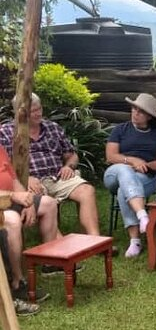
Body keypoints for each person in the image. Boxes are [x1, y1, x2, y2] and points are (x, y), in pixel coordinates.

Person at [0, 93, 99, 235]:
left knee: (87, 191)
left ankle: (95, 240)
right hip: (29, 181)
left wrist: (68, 166)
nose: (38, 114)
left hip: (57, 177)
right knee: (43, 201)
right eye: (32, 111)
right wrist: (25, 178)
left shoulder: (53, 128)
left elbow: (71, 155)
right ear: (19, 113)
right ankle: (59, 245)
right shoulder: (6, 132)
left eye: (39, 109)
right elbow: (5, 165)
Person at [104, 93, 156, 258]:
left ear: (149, 116)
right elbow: (111, 156)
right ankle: (142, 214)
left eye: (140, 111)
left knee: (123, 190)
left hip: (146, 176)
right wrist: (132, 161)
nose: (135, 113)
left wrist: (146, 166)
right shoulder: (120, 129)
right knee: (124, 171)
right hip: (115, 173)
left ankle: (135, 241)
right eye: (134, 108)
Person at [0, 145, 56, 306]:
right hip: (3, 204)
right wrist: (14, 196)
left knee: (49, 204)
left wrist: (28, 201)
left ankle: (49, 263)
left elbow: (13, 179)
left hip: (11, 199)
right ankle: (17, 282)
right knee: (12, 220)